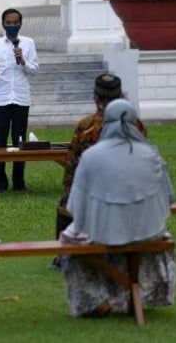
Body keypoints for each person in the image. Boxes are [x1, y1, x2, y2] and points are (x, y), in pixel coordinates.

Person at [61, 99, 176, 317]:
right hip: (148, 233)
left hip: (102, 234)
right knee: (155, 237)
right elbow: (169, 198)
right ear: (136, 123)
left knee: (70, 239)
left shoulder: (91, 156)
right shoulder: (151, 155)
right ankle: (137, 293)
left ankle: (96, 298)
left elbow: (75, 206)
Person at [51, 74, 146, 270]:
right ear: (121, 96)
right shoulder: (136, 126)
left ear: (95, 97)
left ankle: (62, 256)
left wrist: (71, 191)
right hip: (130, 191)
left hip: (93, 194)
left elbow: (72, 166)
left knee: (65, 204)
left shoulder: (86, 127)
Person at [0, 8, 39, 192]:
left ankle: (19, 181)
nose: (12, 25)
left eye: (16, 22)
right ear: (3, 23)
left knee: (19, 140)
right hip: (1, 99)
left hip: (21, 98)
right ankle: (1, 182)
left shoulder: (28, 43)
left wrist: (22, 60)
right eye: (9, 22)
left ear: (20, 24)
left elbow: (34, 70)